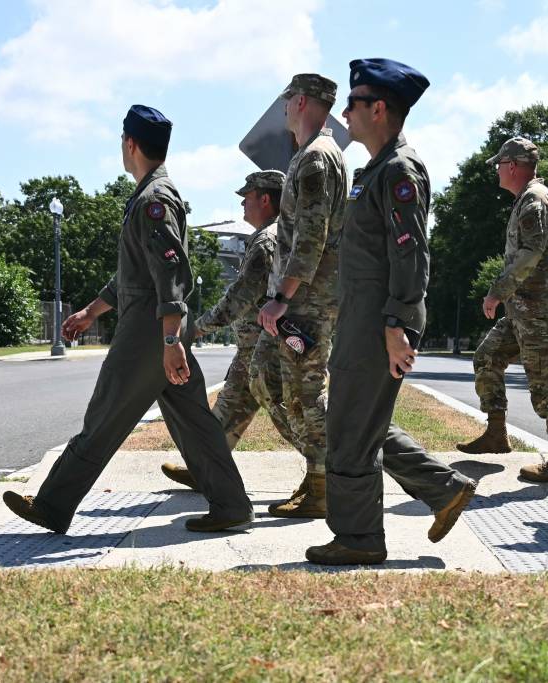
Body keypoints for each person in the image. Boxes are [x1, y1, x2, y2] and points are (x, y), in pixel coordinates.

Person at [2, 105, 253, 534]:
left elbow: (170, 271)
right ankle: (231, 505)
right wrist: (91, 311)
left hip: (150, 332)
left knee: (106, 412)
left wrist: (170, 342)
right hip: (160, 326)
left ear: (130, 144)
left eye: (122, 141)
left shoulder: (154, 200)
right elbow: (133, 275)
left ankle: (52, 504)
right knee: (193, 422)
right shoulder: (149, 195)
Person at [306, 59, 478, 566]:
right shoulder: (376, 170)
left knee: (349, 431)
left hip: (379, 321)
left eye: (354, 102)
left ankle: (358, 538)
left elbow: (411, 253)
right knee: (361, 421)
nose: (345, 111)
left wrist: (397, 324)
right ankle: (444, 489)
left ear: (378, 109)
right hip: (363, 318)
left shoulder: (399, 171)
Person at [160, 170, 300, 490]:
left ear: (265, 199)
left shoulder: (266, 240)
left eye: (247, 198)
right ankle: (206, 469)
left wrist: (197, 329)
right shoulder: (279, 234)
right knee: (227, 409)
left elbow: (238, 299)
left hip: (269, 350)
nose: (242, 205)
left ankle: (337, 471)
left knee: (295, 419)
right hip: (255, 347)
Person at [456, 137, 548, 482]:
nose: (496, 171)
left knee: (546, 383)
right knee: (487, 357)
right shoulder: (528, 199)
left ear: (512, 166)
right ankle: (496, 433)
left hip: (541, 310)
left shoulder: (535, 200)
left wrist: (496, 293)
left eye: (499, 164)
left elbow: (530, 254)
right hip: (525, 309)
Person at [255, 73, 347, 519]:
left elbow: (311, 236)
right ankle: (318, 483)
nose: (284, 106)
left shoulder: (315, 158)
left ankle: (327, 487)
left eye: (289, 99)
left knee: (307, 395)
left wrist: (282, 297)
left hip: (306, 300)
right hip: (307, 296)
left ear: (304, 101)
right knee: (296, 392)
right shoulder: (313, 155)